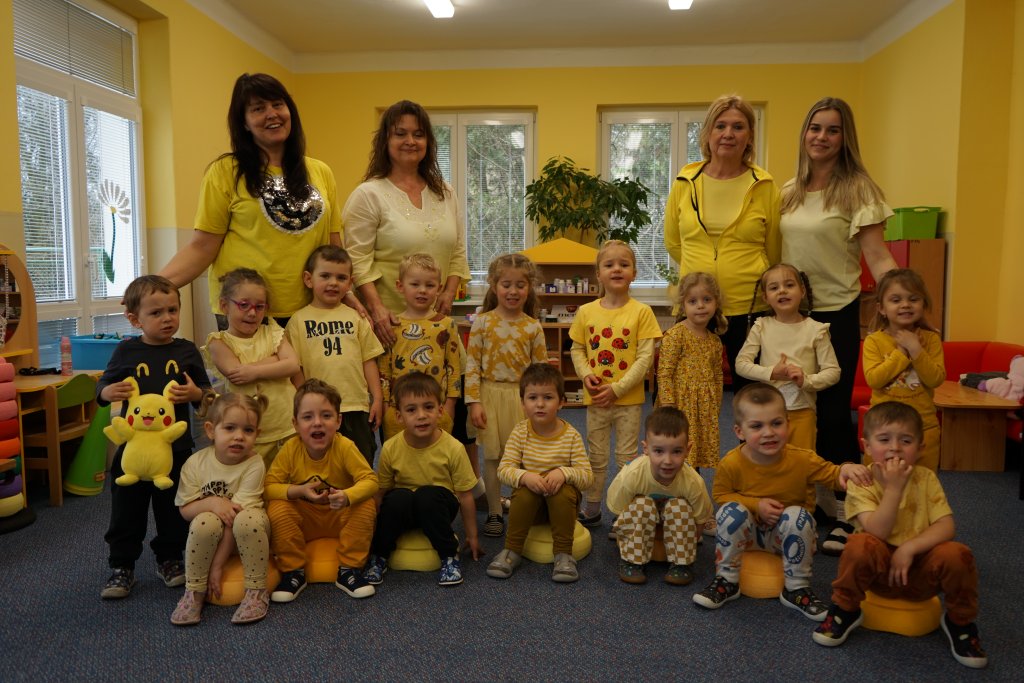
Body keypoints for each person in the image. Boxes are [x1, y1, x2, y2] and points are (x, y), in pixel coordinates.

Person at [779, 97, 898, 550]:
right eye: (815, 128)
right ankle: (818, 498)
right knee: (796, 413)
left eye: (832, 130)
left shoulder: (858, 190)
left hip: (835, 313)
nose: (821, 137)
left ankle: (854, 508)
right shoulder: (789, 191)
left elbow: (878, 255)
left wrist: (902, 301)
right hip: (792, 315)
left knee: (832, 414)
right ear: (804, 133)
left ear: (844, 137)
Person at [812, 402, 987, 669]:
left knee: (957, 553)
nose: (894, 448)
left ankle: (960, 623)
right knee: (858, 544)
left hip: (919, 570)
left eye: (905, 441)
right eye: (884, 440)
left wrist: (909, 548)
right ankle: (845, 610)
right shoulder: (862, 482)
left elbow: (946, 526)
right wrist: (894, 489)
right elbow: (877, 531)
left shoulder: (926, 478)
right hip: (876, 574)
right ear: (867, 446)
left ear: (920, 448)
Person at [159, 73, 344, 324]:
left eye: (278, 104)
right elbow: (202, 247)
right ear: (244, 123)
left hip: (311, 308)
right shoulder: (225, 171)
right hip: (246, 309)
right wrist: (153, 287)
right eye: (258, 109)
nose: (272, 114)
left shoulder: (320, 171)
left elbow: (333, 246)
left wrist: (347, 294)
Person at [692, 383, 871, 618]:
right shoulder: (731, 462)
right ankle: (726, 580)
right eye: (757, 426)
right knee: (730, 512)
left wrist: (846, 468)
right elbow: (721, 495)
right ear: (739, 432)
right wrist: (757, 505)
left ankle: (796, 589)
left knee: (798, 515)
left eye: (776, 423)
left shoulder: (802, 459)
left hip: (788, 538)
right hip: (748, 536)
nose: (769, 432)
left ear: (788, 423)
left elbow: (833, 474)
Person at [97, 275, 210, 600]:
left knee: (173, 509)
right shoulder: (126, 350)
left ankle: (170, 559)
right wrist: (106, 391)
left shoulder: (186, 350)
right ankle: (122, 565)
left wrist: (195, 394)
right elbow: (102, 387)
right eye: (156, 313)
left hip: (176, 449)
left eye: (172, 310)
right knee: (126, 510)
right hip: (132, 451)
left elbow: (206, 395)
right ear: (135, 319)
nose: (167, 318)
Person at [663, 94, 780, 385]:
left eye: (738, 127)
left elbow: (774, 250)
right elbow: (673, 242)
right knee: (688, 392)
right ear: (708, 133)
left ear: (749, 136)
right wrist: (703, 275)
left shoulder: (765, 185)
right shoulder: (685, 182)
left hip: (749, 307)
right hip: (695, 305)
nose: (728, 134)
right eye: (720, 126)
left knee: (753, 395)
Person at [343, 100, 470, 346]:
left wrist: (448, 292)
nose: (410, 141)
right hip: (387, 326)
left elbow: (457, 250)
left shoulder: (445, 192)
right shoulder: (368, 194)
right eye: (400, 133)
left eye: (418, 134)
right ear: (385, 141)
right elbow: (357, 261)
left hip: (436, 324)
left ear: (428, 142)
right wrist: (377, 309)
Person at [569, 240, 662, 526]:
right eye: (609, 265)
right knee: (596, 456)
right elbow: (577, 349)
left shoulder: (642, 312)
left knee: (626, 458)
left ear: (634, 273)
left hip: (628, 401)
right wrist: (586, 375)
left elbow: (645, 358)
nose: (617, 269)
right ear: (598, 274)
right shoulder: (586, 311)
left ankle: (624, 512)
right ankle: (592, 507)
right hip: (596, 397)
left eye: (624, 264)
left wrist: (618, 388)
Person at [264, 379, 380, 603]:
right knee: (278, 507)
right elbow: (269, 487)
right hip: (306, 521)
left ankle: (349, 570)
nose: (317, 423)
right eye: (308, 417)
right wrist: (298, 491)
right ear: (295, 424)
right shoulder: (290, 449)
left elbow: (370, 480)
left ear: (338, 421)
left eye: (326, 416)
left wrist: (347, 496)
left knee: (365, 503)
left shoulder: (345, 446)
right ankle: (293, 572)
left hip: (339, 519)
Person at [363, 372, 481, 587]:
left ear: (440, 411)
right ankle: (379, 557)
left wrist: (472, 536)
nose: (421, 415)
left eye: (428, 407)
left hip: (438, 507)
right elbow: (380, 494)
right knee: (397, 498)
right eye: (411, 410)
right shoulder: (390, 447)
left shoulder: (454, 448)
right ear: (399, 416)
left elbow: (465, 496)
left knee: (427, 496)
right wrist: (369, 538)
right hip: (405, 509)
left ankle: (449, 556)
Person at [465, 253, 548, 537]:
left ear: (529, 287)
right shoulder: (482, 322)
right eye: (506, 284)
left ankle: (521, 507)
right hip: (488, 396)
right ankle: (494, 512)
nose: (513, 291)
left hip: (521, 399)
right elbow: (472, 366)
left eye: (520, 285)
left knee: (521, 457)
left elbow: (540, 371)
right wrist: (474, 402)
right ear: (493, 285)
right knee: (492, 457)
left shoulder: (533, 326)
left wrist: (538, 402)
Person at [486, 363, 593, 583]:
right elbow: (503, 470)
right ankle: (512, 550)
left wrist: (563, 473)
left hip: (562, 507)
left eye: (548, 397)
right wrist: (525, 476)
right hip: (531, 509)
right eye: (533, 398)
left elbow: (586, 476)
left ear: (561, 402)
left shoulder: (571, 436)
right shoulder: (519, 432)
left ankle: (564, 554)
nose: (540, 404)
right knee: (524, 493)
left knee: (562, 493)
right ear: (523, 403)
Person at [171, 392, 270, 626]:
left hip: (246, 535)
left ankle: (256, 591)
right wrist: (213, 503)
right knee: (204, 519)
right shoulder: (195, 464)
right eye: (229, 428)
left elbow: (235, 519)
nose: (239, 437)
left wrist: (217, 565)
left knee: (246, 519)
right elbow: (185, 510)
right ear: (210, 430)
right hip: (211, 538)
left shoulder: (254, 464)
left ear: (257, 434)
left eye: (248, 430)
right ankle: (194, 591)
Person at [285, 245, 384, 464]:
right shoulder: (298, 321)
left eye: (341, 278)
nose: (333, 283)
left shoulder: (357, 318)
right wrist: (303, 402)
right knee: (320, 463)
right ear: (308, 279)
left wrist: (377, 398)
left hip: (355, 405)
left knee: (360, 462)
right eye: (325, 276)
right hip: (318, 411)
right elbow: (296, 370)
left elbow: (369, 360)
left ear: (350, 283)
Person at [735, 263, 840, 452]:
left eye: (789, 285)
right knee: (768, 459)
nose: (782, 291)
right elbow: (741, 364)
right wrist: (771, 372)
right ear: (766, 297)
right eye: (774, 288)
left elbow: (833, 371)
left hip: (803, 412)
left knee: (802, 460)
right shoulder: (761, 326)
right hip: (766, 413)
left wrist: (806, 380)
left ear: (802, 291)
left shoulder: (817, 330)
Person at [607, 407, 712, 587]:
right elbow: (619, 509)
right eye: (658, 451)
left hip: (674, 522)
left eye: (676, 451)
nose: (667, 461)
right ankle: (632, 561)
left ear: (688, 449)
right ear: (646, 449)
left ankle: (681, 564)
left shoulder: (693, 481)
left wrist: (690, 541)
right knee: (642, 504)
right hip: (642, 518)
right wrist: (625, 533)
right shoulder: (632, 474)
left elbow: (701, 518)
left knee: (680, 507)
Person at [205, 268, 299, 468]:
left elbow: (292, 365)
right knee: (255, 483)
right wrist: (275, 360)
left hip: (288, 426)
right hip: (249, 436)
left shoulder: (272, 332)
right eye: (244, 305)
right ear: (224, 305)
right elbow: (237, 374)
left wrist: (253, 371)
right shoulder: (218, 342)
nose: (252, 313)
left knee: (290, 480)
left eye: (259, 306)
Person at [657, 271, 725, 536]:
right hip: (678, 408)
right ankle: (668, 509)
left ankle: (697, 513)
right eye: (693, 301)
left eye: (706, 300)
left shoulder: (714, 341)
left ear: (716, 303)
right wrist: (669, 408)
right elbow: (664, 373)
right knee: (673, 461)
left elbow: (717, 375)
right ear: (683, 304)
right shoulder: (676, 335)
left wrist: (715, 404)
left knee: (692, 462)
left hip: (703, 409)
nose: (700, 306)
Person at [862, 268, 945, 472]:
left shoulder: (931, 339)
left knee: (922, 480)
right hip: (883, 428)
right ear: (882, 308)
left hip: (923, 426)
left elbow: (935, 379)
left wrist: (916, 350)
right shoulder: (874, 341)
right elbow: (874, 379)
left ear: (923, 304)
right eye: (896, 300)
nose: (906, 304)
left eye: (913, 299)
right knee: (878, 479)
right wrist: (901, 353)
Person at [377, 253, 464, 442]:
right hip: (398, 412)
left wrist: (450, 405)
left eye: (429, 285)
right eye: (415, 284)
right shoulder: (392, 326)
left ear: (439, 289)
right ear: (400, 286)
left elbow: (453, 369)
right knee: (400, 455)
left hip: (436, 410)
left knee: (436, 455)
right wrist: (385, 407)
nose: (422, 290)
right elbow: (384, 371)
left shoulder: (446, 325)